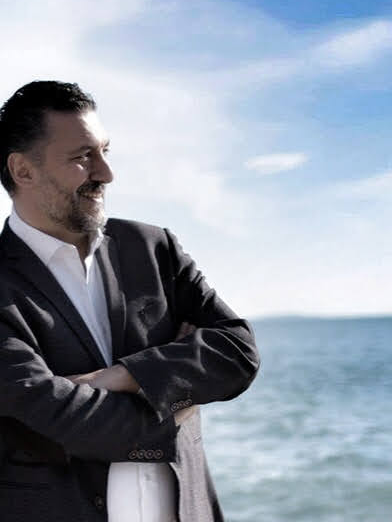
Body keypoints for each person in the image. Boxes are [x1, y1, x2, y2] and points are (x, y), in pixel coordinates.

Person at [0, 80, 260, 522]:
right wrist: (178, 400)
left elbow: (238, 351)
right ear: (23, 170)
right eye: (83, 157)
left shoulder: (154, 248)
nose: (106, 173)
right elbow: (56, 417)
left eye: (105, 151)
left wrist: (125, 375)